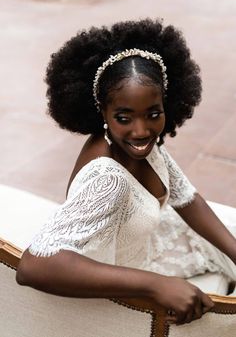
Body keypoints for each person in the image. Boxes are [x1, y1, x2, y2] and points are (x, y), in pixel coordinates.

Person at [16, 18, 236, 327]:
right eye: (124, 117)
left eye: (153, 114)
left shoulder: (146, 145)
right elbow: (33, 265)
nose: (141, 130)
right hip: (116, 277)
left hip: (146, 241)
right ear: (102, 111)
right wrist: (156, 284)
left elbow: (187, 198)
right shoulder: (107, 179)